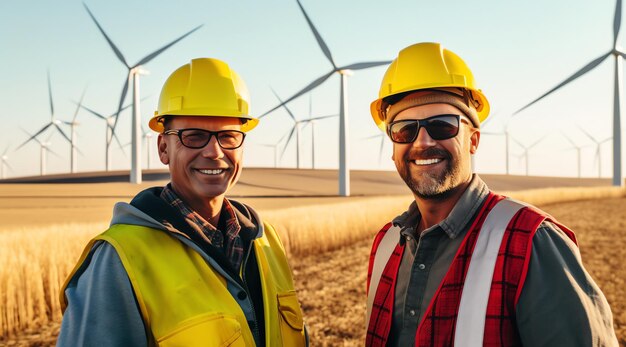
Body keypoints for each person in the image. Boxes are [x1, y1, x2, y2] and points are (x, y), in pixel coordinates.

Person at [365, 42, 618, 346]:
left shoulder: (531, 240)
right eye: (405, 129)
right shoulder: (385, 244)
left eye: (442, 126)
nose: (422, 142)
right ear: (393, 148)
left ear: (473, 140)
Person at [58, 58, 307, 346]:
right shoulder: (121, 259)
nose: (214, 151)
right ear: (163, 148)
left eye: (228, 136)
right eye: (194, 137)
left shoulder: (266, 241)